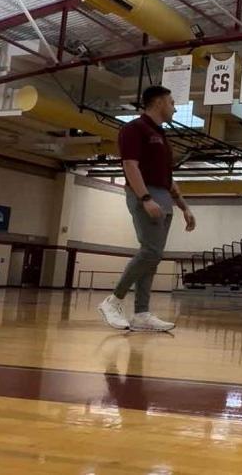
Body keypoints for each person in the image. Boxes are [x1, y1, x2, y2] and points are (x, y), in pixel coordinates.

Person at [98, 85, 194, 332]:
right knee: (151, 251)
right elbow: (130, 165)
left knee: (153, 257)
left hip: (163, 196)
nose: (175, 107)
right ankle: (113, 301)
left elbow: (168, 178)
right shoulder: (133, 129)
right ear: (159, 103)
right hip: (146, 194)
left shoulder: (161, 135)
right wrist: (145, 198)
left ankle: (141, 313)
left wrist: (184, 207)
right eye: (172, 102)